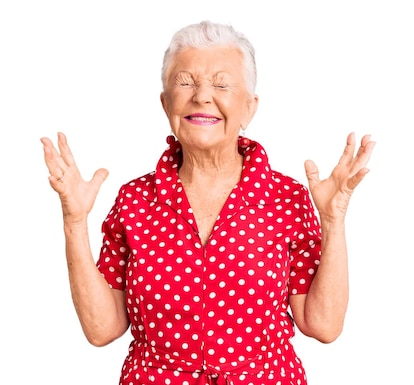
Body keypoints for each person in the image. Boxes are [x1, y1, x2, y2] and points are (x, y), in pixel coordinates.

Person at [41, 19, 375, 385]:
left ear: (249, 107)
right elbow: (102, 329)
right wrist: (74, 222)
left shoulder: (285, 199)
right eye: (185, 82)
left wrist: (334, 220)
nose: (201, 96)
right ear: (166, 103)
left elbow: (323, 325)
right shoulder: (134, 200)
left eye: (221, 84)